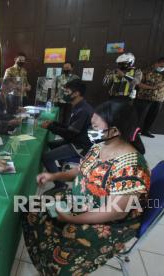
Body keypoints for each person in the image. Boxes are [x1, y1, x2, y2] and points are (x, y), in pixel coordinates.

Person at [21, 100, 150, 275]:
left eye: (96, 127)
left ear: (115, 131)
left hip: (107, 220)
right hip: (80, 200)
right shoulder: (99, 146)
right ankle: (44, 261)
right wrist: (54, 175)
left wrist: (72, 219)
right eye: (92, 125)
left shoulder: (131, 167)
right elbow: (81, 170)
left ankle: (55, 268)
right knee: (29, 208)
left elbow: (116, 211)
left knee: (62, 235)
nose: (92, 131)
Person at [41, 80, 93, 180]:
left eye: (67, 92)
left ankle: (60, 184)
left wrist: (50, 127)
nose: (65, 94)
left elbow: (69, 134)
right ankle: (62, 168)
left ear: (76, 93)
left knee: (46, 157)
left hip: (80, 146)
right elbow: (69, 127)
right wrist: (53, 123)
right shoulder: (79, 106)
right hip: (76, 140)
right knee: (51, 144)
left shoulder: (83, 110)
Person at [134, 57, 164, 138]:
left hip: (159, 98)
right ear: (157, 63)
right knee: (138, 116)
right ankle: (133, 132)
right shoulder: (145, 71)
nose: (163, 68)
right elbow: (138, 84)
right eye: (162, 66)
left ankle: (145, 131)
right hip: (144, 97)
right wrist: (152, 88)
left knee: (152, 116)